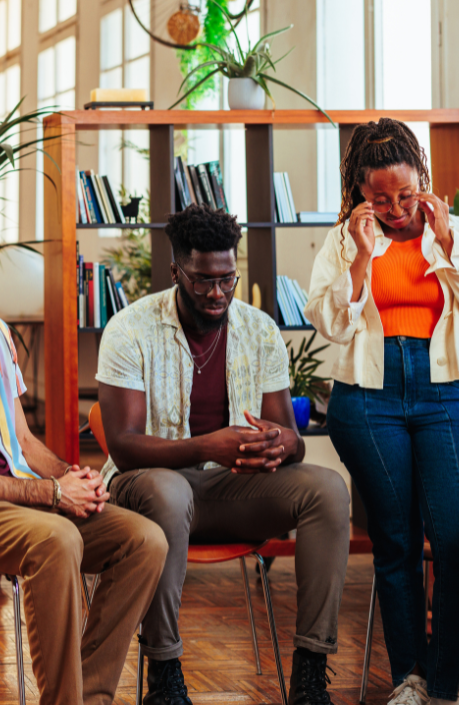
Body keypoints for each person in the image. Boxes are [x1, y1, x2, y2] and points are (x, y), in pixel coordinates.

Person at [0, 215, 167, 705]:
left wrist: (70, 475)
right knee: (57, 539)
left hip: (22, 492)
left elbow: (22, 438)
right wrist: (51, 493)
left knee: (145, 539)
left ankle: (89, 693)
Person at [96, 203, 351, 705]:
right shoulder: (130, 329)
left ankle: (310, 671)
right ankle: (164, 673)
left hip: (229, 490)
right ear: (176, 272)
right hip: (147, 489)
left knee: (327, 489)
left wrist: (281, 444)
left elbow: (290, 434)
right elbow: (124, 447)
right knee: (168, 490)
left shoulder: (258, 329)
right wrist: (207, 445)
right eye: (202, 280)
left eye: (228, 279)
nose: (217, 293)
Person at [305, 117, 459, 705]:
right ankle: (409, 680)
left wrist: (448, 247)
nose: (395, 208)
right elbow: (329, 322)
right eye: (379, 198)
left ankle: (450, 682)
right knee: (397, 540)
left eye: (404, 194)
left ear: (423, 178)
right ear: (358, 192)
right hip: (367, 400)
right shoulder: (347, 238)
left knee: (455, 539)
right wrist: (360, 260)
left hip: (443, 390)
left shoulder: (456, 230)